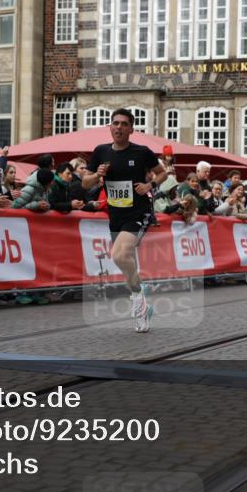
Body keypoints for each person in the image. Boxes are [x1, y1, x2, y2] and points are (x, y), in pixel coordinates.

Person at [82, 108, 166, 333]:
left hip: (138, 212)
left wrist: (149, 185)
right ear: (110, 127)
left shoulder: (141, 152)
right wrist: (97, 175)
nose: (119, 127)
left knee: (119, 255)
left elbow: (162, 173)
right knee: (126, 262)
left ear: (131, 129)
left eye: (124, 124)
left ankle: (138, 296)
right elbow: (85, 183)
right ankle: (143, 310)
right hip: (115, 215)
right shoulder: (100, 151)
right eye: (115, 123)